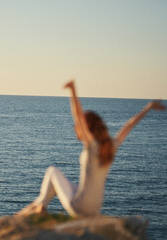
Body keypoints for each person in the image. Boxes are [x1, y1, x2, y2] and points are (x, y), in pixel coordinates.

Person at [18, 80, 165, 218]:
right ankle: (39, 204)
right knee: (66, 186)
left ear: (87, 128)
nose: (76, 129)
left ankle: (40, 206)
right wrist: (149, 107)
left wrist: (72, 89)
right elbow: (129, 125)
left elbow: (78, 115)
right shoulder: (112, 145)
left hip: (79, 207)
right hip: (95, 208)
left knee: (52, 171)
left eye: (77, 127)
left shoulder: (92, 145)